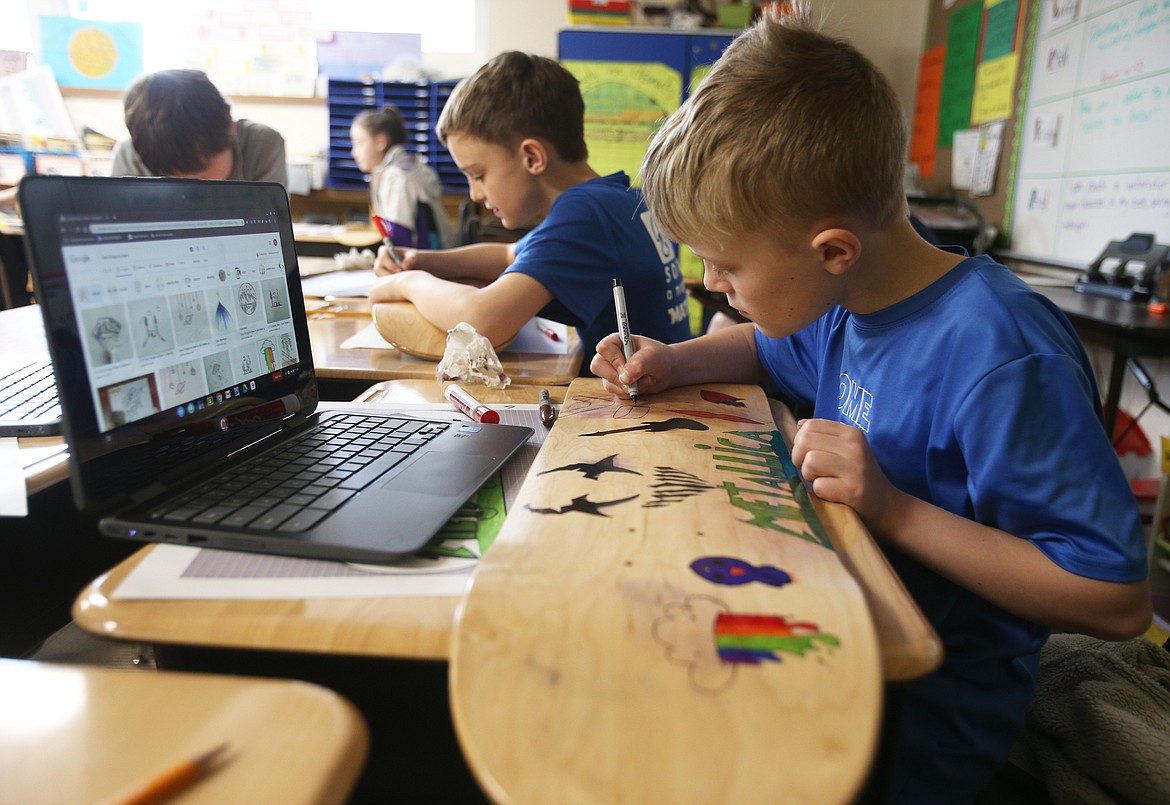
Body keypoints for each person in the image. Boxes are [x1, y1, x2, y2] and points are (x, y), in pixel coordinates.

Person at [592, 7, 1151, 803]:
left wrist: (893, 509)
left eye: (725, 265)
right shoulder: (844, 298)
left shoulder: (999, 354)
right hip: (837, 627)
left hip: (931, 707)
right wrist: (671, 358)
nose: (714, 285)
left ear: (831, 250)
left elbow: (1114, 597)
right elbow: (761, 346)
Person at [368, 51, 691, 358]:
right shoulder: (615, 198)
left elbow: (480, 321)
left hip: (639, 409)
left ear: (532, 157)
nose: (475, 194)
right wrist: (421, 261)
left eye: (478, 175)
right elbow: (510, 254)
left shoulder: (587, 215)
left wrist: (405, 282)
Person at [111, 69, 288, 188]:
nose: (191, 188)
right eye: (173, 176)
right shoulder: (133, 157)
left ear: (231, 127)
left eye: (202, 173)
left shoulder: (262, 146)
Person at [350, 105, 454, 250]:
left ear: (380, 142)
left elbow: (401, 237)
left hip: (426, 262)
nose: (353, 152)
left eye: (359, 143)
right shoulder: (406, 164)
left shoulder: (397, 175)